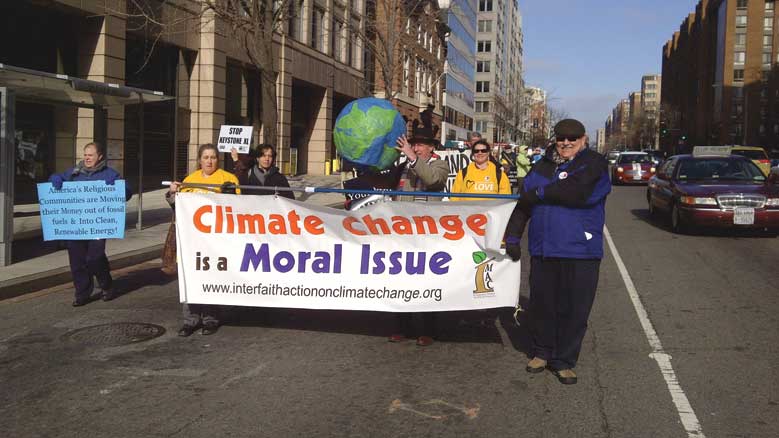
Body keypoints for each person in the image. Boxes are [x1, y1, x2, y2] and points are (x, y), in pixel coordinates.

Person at [504, 119, 611, 385]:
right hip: (543, 250)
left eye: (572, 139)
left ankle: (564, 360)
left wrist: (538, 193)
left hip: (581, 250)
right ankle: (542, 352)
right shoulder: (541, 166)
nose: (566, 143)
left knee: (575, 309)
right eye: (561, 138)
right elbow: (522, 205)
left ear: (583, 140)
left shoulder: (594, 162)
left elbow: (576, 192)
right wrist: (513, 237)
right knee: (542, 306)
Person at [166, 143, 240, 336]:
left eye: (213, 157)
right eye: (206, 157)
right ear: (199, 160)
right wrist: (172, 194)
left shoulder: (228, 179)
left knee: (211, 278)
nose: (209, 161)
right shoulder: (190, 180)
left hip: (216, 241)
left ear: (218, 159)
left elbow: (238, 209)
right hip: (191, 241)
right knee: (190, 279)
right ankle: (190, 320)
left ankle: (210, 319)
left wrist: (230, 195)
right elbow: (178, 208)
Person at [49, 142, 132, 306]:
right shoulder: (73, 173)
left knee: (95, 258)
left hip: (98, 225)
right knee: (77, 261)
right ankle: (82, 293)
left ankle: (106, 285)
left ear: (99, 156)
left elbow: (127, 191)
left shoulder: (110, 174)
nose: (87, 158)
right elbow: (57, 180)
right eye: (85, 155)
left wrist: (119, 190)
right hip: (76, 226)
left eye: (91, 155)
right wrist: (55, 179)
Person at [391, 124, 448, 346]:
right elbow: (387, 185)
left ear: (431, 148)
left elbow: (433, 180)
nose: (415, 147)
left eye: (420, 145)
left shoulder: (440, 164)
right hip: (403, 233)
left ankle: (428, 330)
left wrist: (412, 158)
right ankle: (401, 326)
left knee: (426, 282)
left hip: (427, 235)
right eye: (413, 144)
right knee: (402, 281)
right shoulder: (405, 165)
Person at [230, 144, 294, 199]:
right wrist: (236, 160)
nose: (267, 159)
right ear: (257, 158)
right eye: (263, 156)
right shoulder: (248, 174)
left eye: (270, 156)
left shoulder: (280, 177)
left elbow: (290, 199)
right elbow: (240, 186)